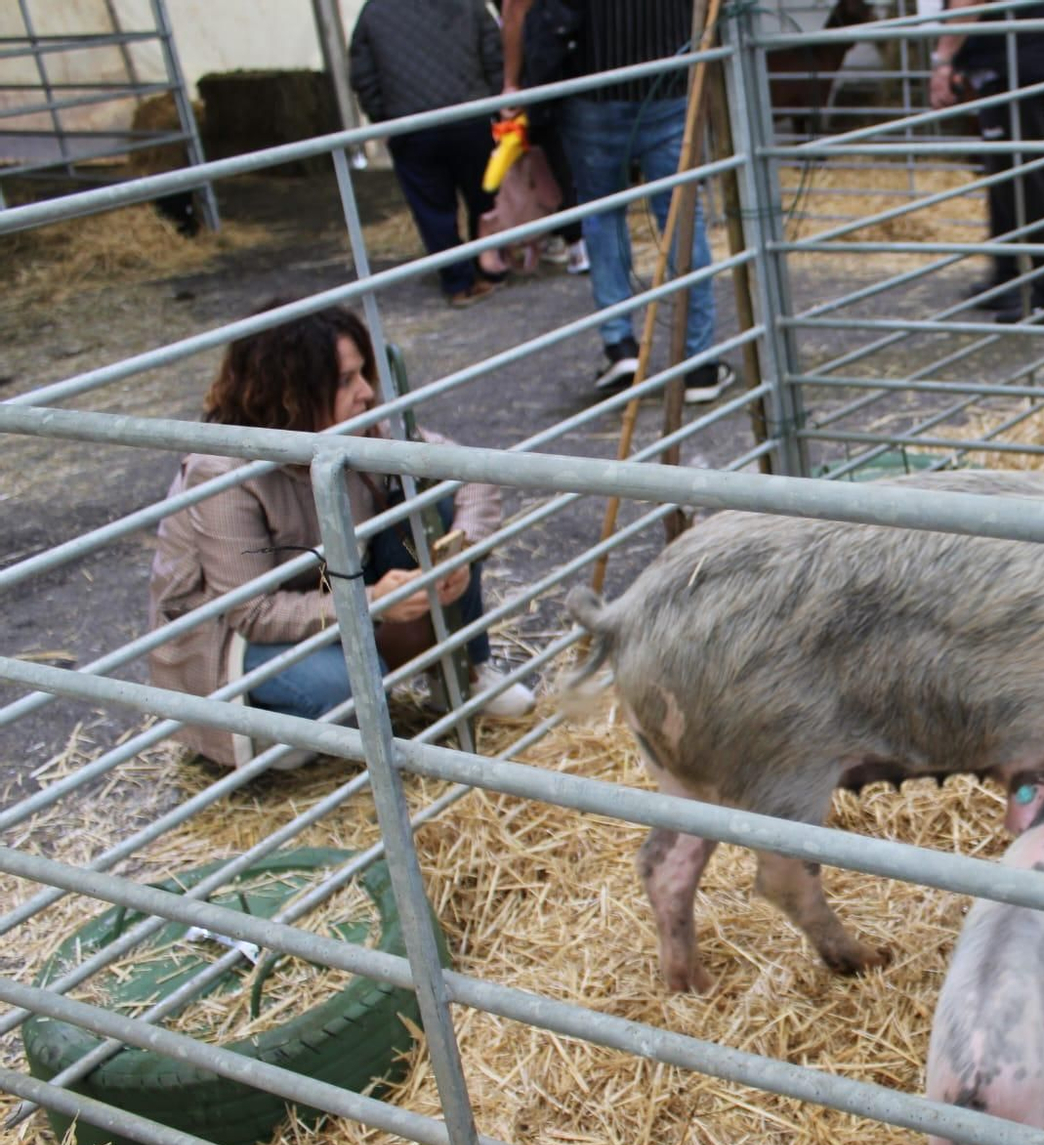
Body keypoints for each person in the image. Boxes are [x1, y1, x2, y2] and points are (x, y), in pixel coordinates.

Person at [147, 304, 534, 772]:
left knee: (435, 506)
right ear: (292, 393)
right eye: (347, 380)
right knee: (348, 684)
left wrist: (461, 548)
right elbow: (251, 611)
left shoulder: (357, 426)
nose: (367, 392)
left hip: (333, 585)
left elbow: (465, 471)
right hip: (239, 640)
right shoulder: (224, 472)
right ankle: (269, 728)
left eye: (362, 374)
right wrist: (371, 601)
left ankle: (460, 674)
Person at [501, 0, 734, 399]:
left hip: (594, 86)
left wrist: (514, 82)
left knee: (602, 214)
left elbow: (517, 6)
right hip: (667, 79)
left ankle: (621, 346)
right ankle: (698, 363)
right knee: (681, 215)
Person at [929, 0, 1044, 326]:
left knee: (1025, 173)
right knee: (1004, 169)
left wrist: (943, 59)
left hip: (1015, 58)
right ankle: (1008, 275)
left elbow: (969, 1)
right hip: (1021, 53)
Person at [349, 0, 513, 308]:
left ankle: (458, 282)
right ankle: (491, 266)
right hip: (470, 117)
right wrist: (492, 103)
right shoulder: (468, 5)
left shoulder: (374, 12)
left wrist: (383, 117)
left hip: (411, 125)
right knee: (484, 194)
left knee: (433, 209)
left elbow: (362, 73)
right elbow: (494, 53)